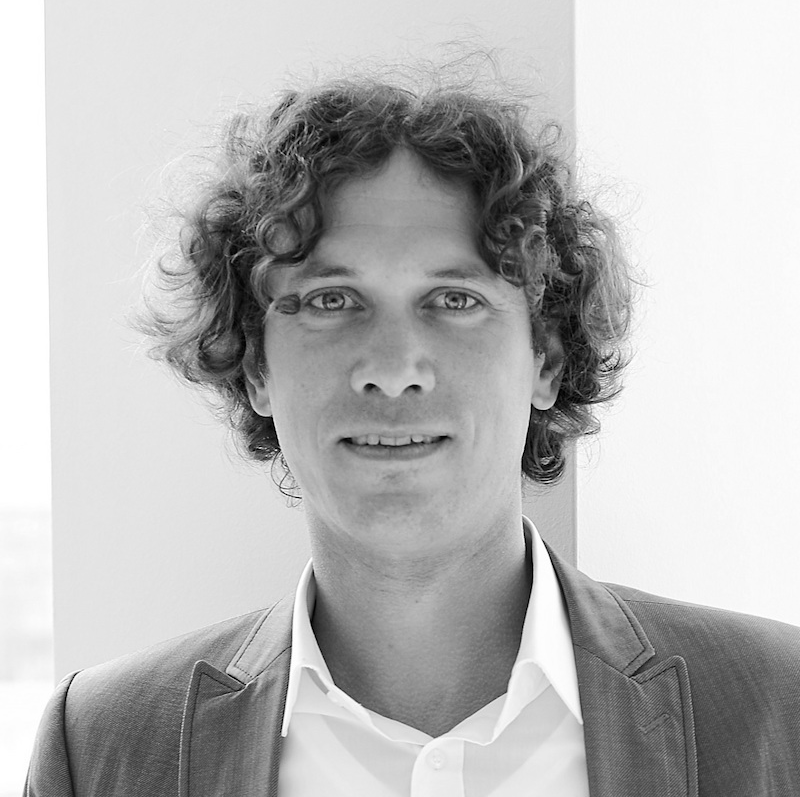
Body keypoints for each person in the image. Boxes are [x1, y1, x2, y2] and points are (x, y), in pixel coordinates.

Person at [26, 73, 800, 796]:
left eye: (454, 300)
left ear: (546, 360)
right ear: (256, 366)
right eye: (331, 301)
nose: (393, 370)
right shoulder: (99, 746)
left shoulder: (780, 708)